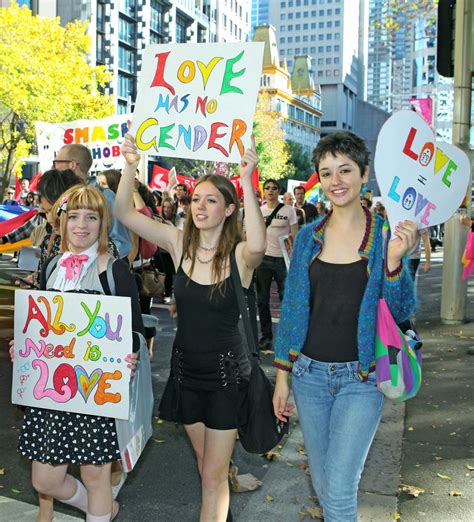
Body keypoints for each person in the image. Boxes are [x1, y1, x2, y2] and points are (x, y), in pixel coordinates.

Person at [115, 132, 265, 521]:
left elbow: (260, 245)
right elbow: (125, 215)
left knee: (214, 477)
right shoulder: (177, 242)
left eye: (211, 200)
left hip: (226, 377)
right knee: (205, 469)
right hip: (186, 372)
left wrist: (246, 181)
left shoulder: (239, 256)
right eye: (196, 198)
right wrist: (131, 166)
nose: (200, 206)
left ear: (229, 209)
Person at [272, 131, 417, 522]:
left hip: (362, 377)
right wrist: (282, 377)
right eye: (326, 172)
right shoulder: (307, 238)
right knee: (324, 484)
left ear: (364, 173)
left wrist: (393, 262)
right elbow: (292, 311)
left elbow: (402, 308)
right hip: (309, 376)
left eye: (345, 170)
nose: (336, 181)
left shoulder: (387, 234)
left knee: (338, 491)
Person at [10, 184, 143, 522]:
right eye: (74, 217)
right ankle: (105, 511)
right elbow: (41, 323)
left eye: (91, 217)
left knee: (95, 476)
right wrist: (24, 347)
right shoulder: (52, 265)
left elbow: (137, 330)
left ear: (103, 223)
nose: (82, 225)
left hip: (94, 391)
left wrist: (131, 352)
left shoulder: (114, 270)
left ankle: (100, 511)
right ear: (63, 221)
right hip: (51, 392)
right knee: (45, 479)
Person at [256, 179, 298, 351]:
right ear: (264, 191)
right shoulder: (259, 211)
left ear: (278, 191)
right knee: (262, 300)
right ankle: (266, 337)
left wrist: (294, 259)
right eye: (267, 188)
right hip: (263, 260)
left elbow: (295, 236)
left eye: (274, 188)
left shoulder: (289, 210)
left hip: (282, 261)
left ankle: (287, 337)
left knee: (286, 299)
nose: (271, 191)